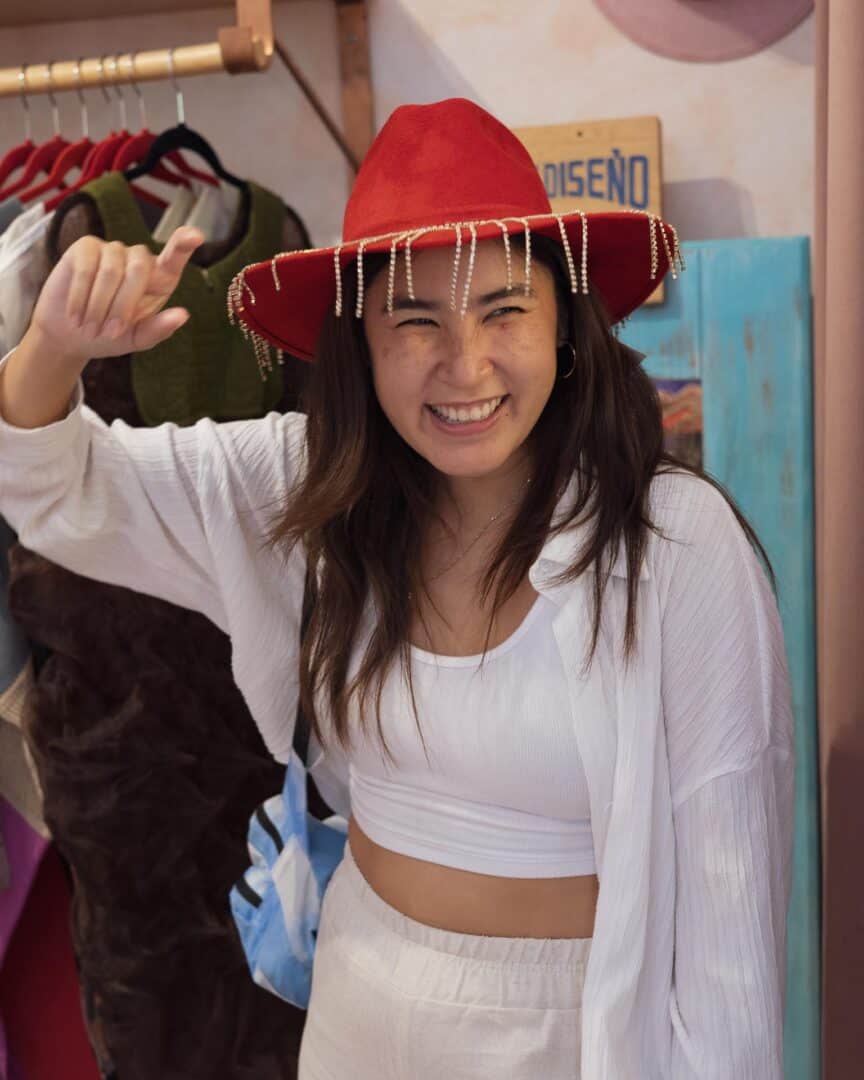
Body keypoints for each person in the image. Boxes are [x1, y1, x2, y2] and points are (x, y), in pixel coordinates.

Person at [0, 98, 794, 1079]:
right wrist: (55, 349)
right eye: (415, 319)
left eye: (505, 308)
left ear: (567, 324)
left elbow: (732, 949)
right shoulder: (310, 490)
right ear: (360, 343)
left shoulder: (676, 547)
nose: (466, 366)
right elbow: (57, 490)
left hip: (580, 1029)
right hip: (360, 1004)